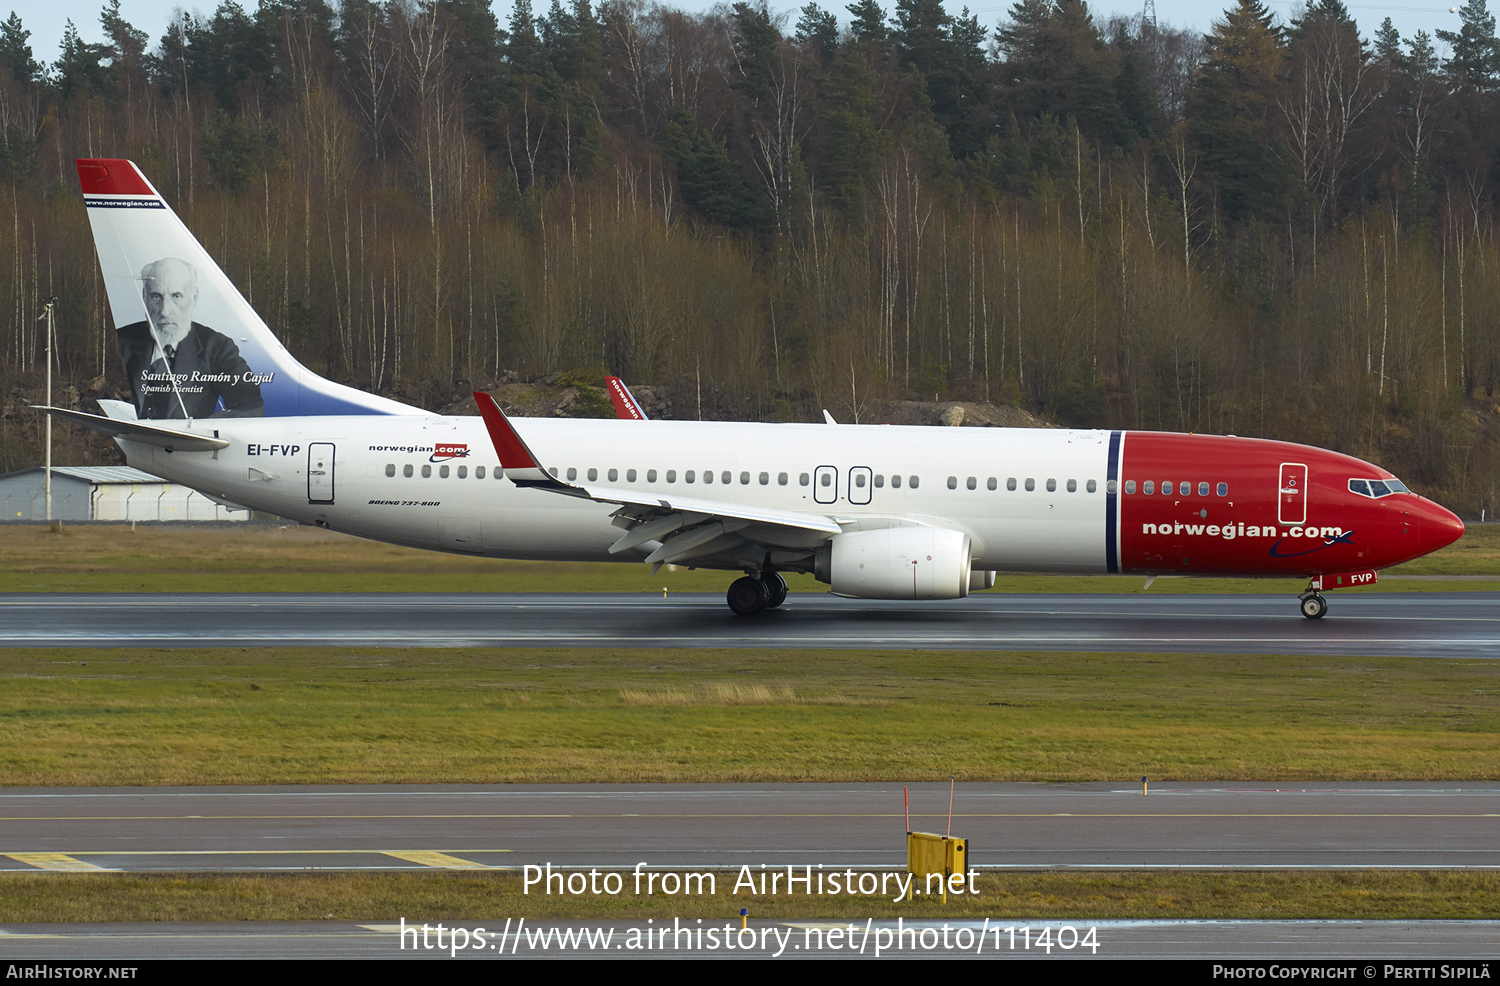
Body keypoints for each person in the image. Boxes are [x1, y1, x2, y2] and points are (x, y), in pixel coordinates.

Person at [117, 257, 265, 419]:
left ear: (194, 298)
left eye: (176, 296)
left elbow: (251, 407)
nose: (165, 311)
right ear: (144, 297)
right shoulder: (123, 340)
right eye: (156, 297)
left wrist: (202, 431)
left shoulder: (218, 347)